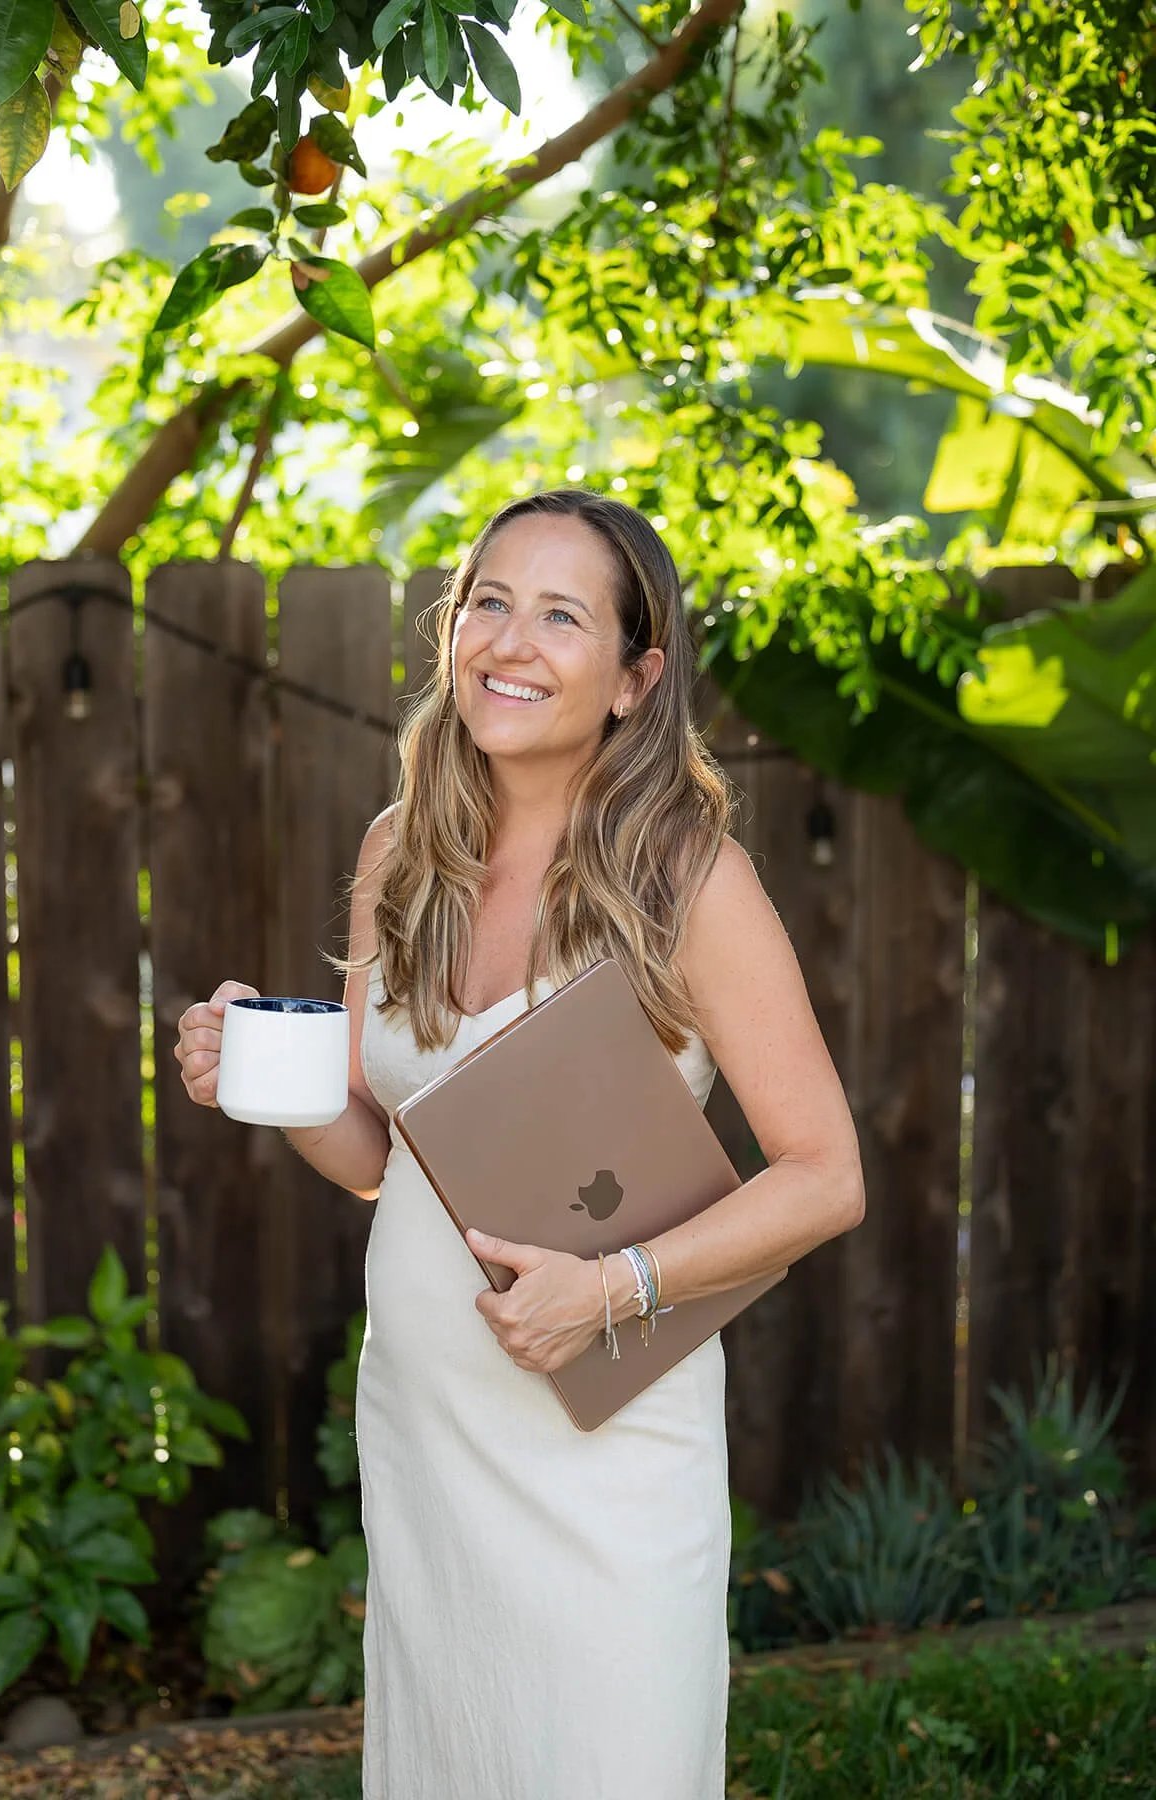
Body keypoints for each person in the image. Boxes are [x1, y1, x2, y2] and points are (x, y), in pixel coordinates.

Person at [175, 489, 864, 1799]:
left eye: (561, 615)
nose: (511, 640)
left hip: (605, 1443)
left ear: (632, 677)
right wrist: (260, 1074)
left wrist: (613, 1289)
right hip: (430, 1435)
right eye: (488, 600)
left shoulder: (687, 880)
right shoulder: (403, 853)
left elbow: (827, 1175)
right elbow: (381, 1154)